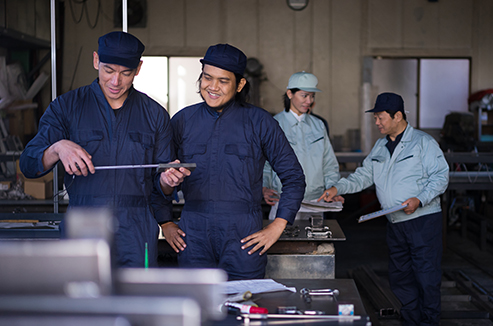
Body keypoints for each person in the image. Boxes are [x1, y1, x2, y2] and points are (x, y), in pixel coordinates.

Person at [19, 31, 189, 267]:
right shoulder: (67, 107)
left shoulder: (154, 114)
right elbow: (28, 164)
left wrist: (168, 181)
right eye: (109, 70)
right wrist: (57, 148)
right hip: (85, 224)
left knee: (135, 299)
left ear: (138, 69)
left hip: (137, 229)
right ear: (96, 60)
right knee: (84, 299)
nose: (115, 81)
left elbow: (161, 189)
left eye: (125, 73)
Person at [156, 43, 305, 280]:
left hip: (243, 236)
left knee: (244, 305)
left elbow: (294, 178)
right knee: (198, 309)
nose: (212, 87)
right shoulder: (183, 120)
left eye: (223, 81)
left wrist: (277, 226)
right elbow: (160, 178)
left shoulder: (260, 122)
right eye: (207, 78)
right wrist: (165, 222)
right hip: (193, 233)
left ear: (240, 84)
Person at [319, 92, 449, 326]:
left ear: (397, 116)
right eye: (376, 117)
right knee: (401, 277)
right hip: (394, 222)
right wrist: (337, 187)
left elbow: (440, 177)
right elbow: (363, 176)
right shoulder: (380, 147)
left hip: (422, 221)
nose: (376, 122)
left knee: (426, 277)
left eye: (380, 117)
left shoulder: (423, 143)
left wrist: (420, 199)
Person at [262, 71, 342, 220]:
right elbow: (266, 163)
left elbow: (328, 162)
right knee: (283, 242)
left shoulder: (318, 125)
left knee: (313, 241)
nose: (309, 101)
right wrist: (264, 187)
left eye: (312, 96)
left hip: (316, 200)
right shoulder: (274, 124)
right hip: (283, 199)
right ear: (290, 94)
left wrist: (333, 187)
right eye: (304, 95)